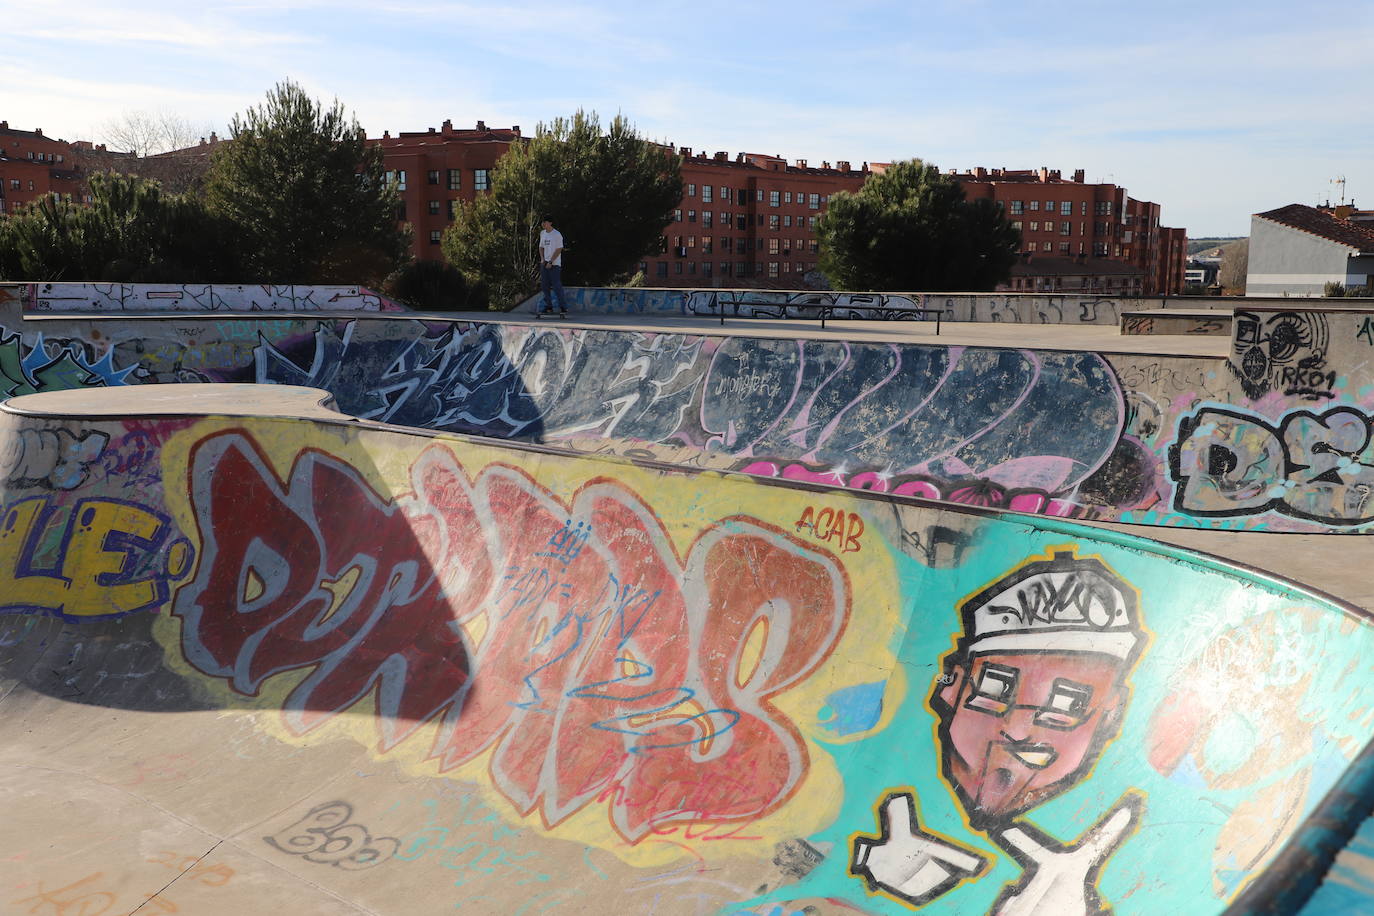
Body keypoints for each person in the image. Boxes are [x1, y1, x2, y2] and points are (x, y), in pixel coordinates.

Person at [851, 548, 1148, 913]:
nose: (1019, 730)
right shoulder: (880, 764)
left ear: (1110, 714)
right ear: (952, 686)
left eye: (1066, 706)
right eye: (994, 689)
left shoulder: (1109, 810)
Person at [538, 218, 568, 318]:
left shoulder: (557, 235)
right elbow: (541, 247)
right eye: (542, 222)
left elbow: (559, 249)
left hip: (554, 264)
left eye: (545, 222)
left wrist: (551, 261)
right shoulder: (543, 233)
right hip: (545, 263)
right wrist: (542, 259)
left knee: (556, 285)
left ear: (550, 223)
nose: (543, 224)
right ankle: (548, 306)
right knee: (544, 285)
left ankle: (563, 307)